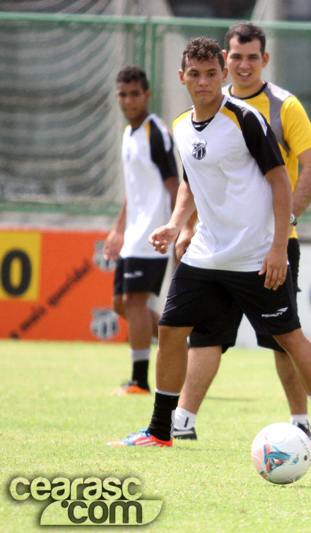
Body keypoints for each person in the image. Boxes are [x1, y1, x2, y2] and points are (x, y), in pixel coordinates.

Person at [108, 37, 311, 454]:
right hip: (206, 252)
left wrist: (278, 247)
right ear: (182, 77)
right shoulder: (181, 126)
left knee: (289, 338)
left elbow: (279, 181)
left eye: (211, 74)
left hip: (255, 255)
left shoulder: (246, 119)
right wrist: (175, 225)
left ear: (223, 75)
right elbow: (190, 183)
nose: (203, 81)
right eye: (194, 74)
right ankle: (161, 430)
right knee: (171, 330)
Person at [169, 22, 311, 442]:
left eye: (252, 57)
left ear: (264, 59)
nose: (243, 65)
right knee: (206, 335)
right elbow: (199, 178)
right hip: (216, 248)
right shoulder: (202, 110)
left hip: (269, 246)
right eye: (236, 56)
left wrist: (285, 227)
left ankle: (301, 421)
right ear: (225, 60)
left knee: (282, 339)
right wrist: (185, 227)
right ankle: (181, 422)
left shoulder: (282, 106)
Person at [103, 66, 178, 396]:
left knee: (134, 302)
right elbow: (133, 190)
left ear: (147, 95)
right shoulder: (128, 134)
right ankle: (180, 344)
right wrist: (118, 229)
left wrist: (178, 228)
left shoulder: (155, 132)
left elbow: (174, 184)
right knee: (121, 304)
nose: (129, 100)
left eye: (135, 94)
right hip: (133, 235)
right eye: (123, 94)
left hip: (152, 234)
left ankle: (139, 381)